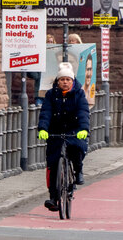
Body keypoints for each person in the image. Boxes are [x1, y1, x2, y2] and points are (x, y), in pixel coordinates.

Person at [37, 62, 90, 211]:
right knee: (53, 163)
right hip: (56, 130)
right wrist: (43, 129)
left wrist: (83, 129)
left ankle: (78, 171)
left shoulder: (79, 94)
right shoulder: (51, 94)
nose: (65, 82)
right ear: (58, 81)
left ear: (72, 81)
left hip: (74, 130)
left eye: (68, 79)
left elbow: (83, 112)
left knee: (77, 148)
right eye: (62, 80)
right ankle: (54, 198)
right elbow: (46, 112)